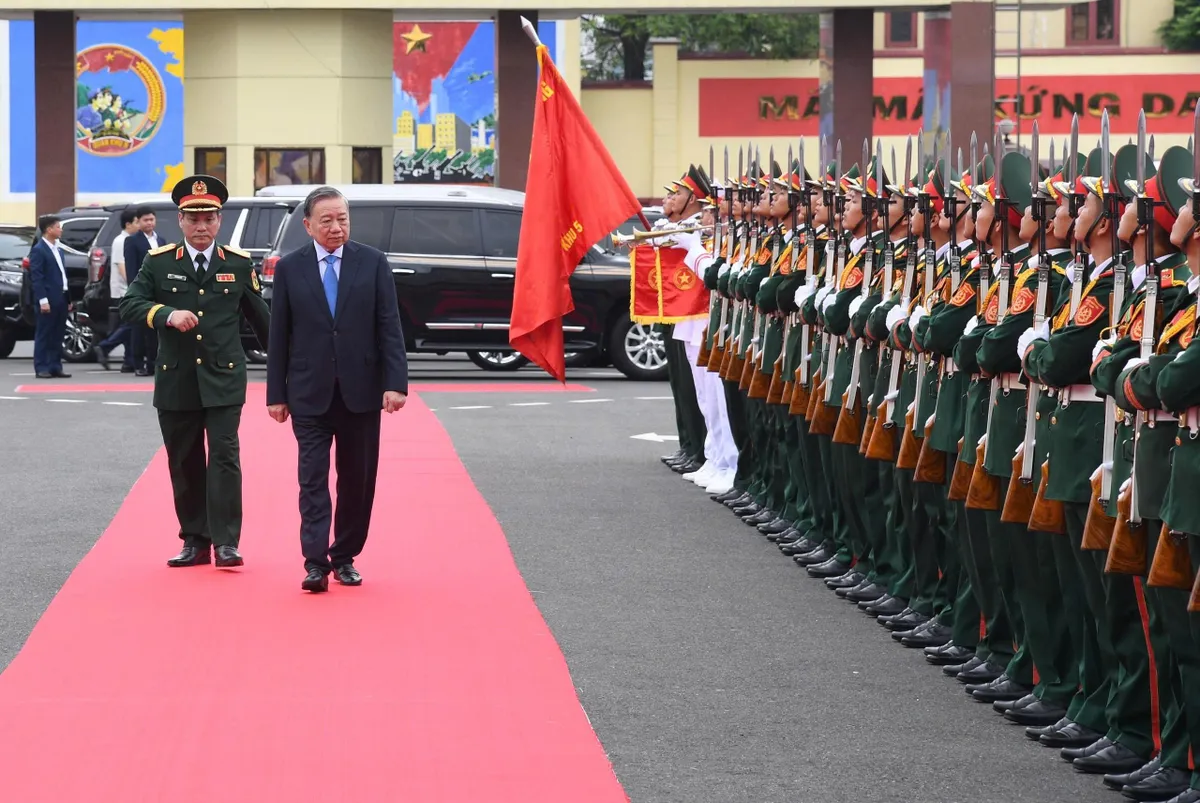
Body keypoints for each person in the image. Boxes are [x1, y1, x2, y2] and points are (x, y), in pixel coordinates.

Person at [118, 175, 271, 569]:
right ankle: (194, 540)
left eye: (209, 219)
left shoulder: (237, 265)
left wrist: (293, 365)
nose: (201, 227)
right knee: (184, 461)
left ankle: (225, 543)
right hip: (177, 378)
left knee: (223, 457)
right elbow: (130, 305)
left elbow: (263, 321)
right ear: (181, 221)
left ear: (219, 221)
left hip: (224, 377)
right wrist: (165, 314)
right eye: (193, 219)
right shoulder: (159, 262)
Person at [265, 186, 408, 593]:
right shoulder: (291, 268)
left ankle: (344, 556)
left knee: (357, 480)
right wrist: (276, 393)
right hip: (309, 393)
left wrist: (395, 383)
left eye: (342, 218)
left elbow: (390, 327)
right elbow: (280, 336)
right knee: (312, 479)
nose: (336, 227)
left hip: (361, 392)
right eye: (326, 220)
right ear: (308, 225)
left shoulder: (373, 263)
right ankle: (314, 562)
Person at [28, 214, 70, 379]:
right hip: (48, 299)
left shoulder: (58, 249)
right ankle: (41, 366)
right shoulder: (39, 250)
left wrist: (68, 298)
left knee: (58, 334)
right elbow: (37, 278)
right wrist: (43, 300)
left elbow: (62, 275)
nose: (61, 229)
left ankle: (55, 366)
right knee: (44, 333)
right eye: (58, 226)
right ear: (48, 229)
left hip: (61, 297)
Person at [95, 208, 138, 371]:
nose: (139, 225)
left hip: (125, 290)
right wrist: (134, 287)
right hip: (123, 291)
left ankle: (129, 361)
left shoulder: (128, 239)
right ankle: (105, 347)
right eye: (136, 222)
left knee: (127, 325)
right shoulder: (121, 241)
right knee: (131, 325)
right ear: (128, 224)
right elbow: (122, 266)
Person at [125, 206, 161, 376]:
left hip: (158, 291)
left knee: (155, 330)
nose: (149, 223)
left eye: (152, 219)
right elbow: (132, 269)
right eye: (146, 220)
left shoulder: (161, 240)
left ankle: (153, 363)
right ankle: (138, 363)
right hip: (142, 291)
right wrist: (135, 291)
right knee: (139, 330)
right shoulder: (132, 241)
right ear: (138, 221)